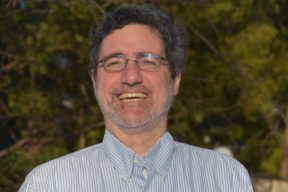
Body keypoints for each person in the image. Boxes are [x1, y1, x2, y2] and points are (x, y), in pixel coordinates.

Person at [19, 4, 253, 192]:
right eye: (114, 62)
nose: (131, 77)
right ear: (94, 81)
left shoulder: (226, 178)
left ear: (175, 80)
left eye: (148, 61)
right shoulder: (48, 184)